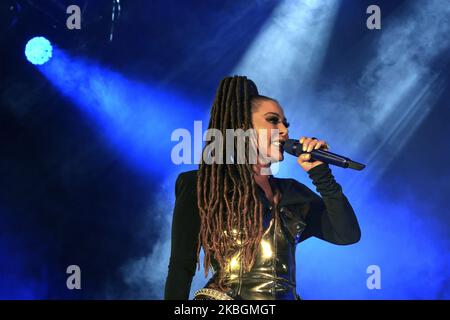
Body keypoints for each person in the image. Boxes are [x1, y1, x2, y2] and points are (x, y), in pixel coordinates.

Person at [164, 75, 361, 300]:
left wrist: (322, 175)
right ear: (243, 127)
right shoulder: (202, 185)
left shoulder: (292, 192)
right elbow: (181, 266)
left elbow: (347, 235)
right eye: (273, 120)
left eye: (285, 123)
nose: (284, 130)